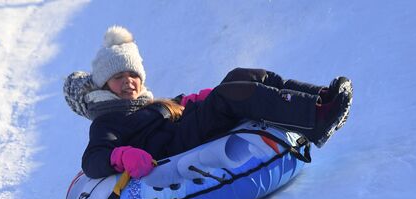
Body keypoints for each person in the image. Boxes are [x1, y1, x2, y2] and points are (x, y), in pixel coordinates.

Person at [65, 26, 353, 180]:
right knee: (233, 95)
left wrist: (198, 98)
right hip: (178, 144)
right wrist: (121, 156)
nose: (128, 81)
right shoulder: (107, 121)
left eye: (133, 75)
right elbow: (92, 160)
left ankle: (318, 99)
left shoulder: (146, 105)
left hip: (190, 124)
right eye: (118, 77)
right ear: (105, 86)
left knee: (240, 76)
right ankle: (316, 120)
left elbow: (179, 104)